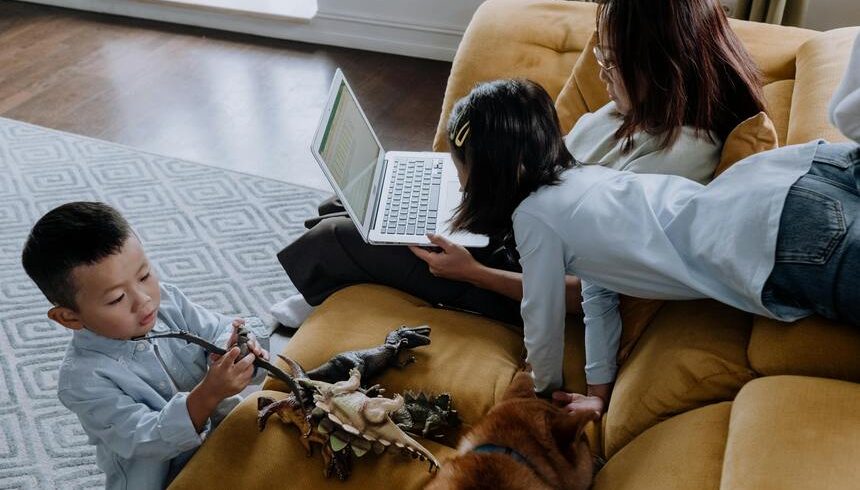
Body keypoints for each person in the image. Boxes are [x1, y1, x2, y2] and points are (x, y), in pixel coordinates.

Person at [273, 0, 767, 331]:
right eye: (602, 55)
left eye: (613, 62)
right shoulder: (639, 110)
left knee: (337, 236)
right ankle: (339, 277)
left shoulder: (675, 164)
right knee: (357, 200)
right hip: (515, 231)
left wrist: (471, 274)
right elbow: (560, 172)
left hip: (518, 281)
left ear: (662, 66)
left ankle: (320, 291)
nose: (602, 71)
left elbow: (592, 294)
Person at [444, 61, 859, 415]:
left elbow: (542, 320)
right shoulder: (583, 181)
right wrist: (597, 394)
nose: (460, 183)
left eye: (460, 168)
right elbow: (600, 296)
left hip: (781, 233)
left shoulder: (534, 218)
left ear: (497, 173)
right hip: (798, 174)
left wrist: (543, 392)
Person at [21, 202, 270, 490]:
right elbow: (144, 438)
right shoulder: (81, 381)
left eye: (144, 275)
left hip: (227, 439)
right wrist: (208, 393)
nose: (144, 300)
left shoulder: (168, 300)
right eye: (116, 298)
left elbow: (219, 327)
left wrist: (239, 343)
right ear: (69, 317)